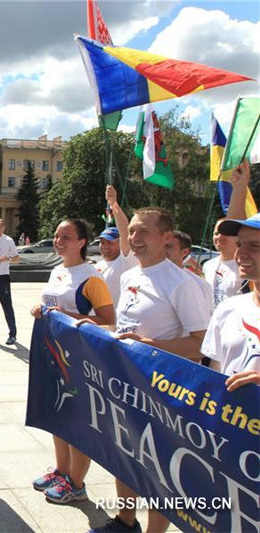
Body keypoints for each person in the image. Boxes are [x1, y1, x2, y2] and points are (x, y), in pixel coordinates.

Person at [94, 207, 211, 533]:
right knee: (125, 455)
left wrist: (151, 344)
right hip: (126, 385)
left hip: (163, 395)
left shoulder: (181, 284)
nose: (134, 238)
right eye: (131, 231)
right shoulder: (130, 275)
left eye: (143, 232)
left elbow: (201, 345)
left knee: (159, 469)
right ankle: (125, 521)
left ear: (166, 238)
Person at [29, 219, 114, 505]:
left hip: (79, 358)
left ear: (81, 242)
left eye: (66, 236)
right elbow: (53, 305)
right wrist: (41, 310)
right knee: (57, 415)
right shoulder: (57, 270)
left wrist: (67, 318)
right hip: (53, 354)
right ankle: (62, 471)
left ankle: (76, 484)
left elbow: (108, 321)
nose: (58, 240)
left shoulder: (91, 277)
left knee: (77, 421)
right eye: (56, 235)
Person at [202, 212, 260, 390]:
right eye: (240, 244)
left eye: (255, 246)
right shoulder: (228, 309)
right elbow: (215, 378)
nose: (240, 253)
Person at [202, 218, 249, 308]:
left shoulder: (247, 266)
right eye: (216, 233)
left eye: (226, 233)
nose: (220, 237)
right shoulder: (208, 265)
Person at [165, 230, 213, 310]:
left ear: (184, 252)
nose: (162, 250)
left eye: (168, 246)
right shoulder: (148, 277)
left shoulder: (199, 285)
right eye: (161, 245)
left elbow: (203, 320)